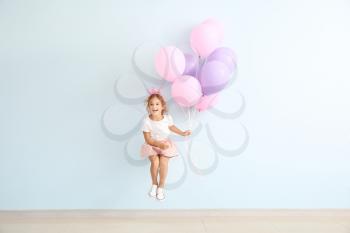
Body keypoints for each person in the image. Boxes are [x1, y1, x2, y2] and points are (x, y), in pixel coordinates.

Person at [140, 89, 191, 201]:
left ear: (162, 106)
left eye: (157, 104)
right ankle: (154, 184)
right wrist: (158, 145)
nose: (154, 106)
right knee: (155, 162)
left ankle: (161, 187)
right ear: (148, 107)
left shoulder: (167, 118)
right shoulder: (146, 121)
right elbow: (148, 139)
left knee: (163, 162)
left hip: (165, 142)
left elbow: (171, 127)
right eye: (151, 104)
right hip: (152, 144)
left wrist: (182, 133)